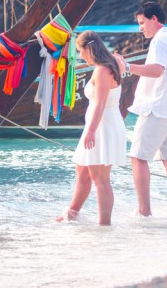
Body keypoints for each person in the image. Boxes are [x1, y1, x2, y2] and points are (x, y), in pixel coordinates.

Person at [117, 1, 167, 218]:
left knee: (137, 158)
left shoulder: (160, 41)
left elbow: (157, 70)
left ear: (154, 19)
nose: (140, 28)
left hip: (157, 110)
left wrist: (127, 67)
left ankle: (144, 212)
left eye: (142, 22)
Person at [56, 30, 127, 225]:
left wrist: (90, 131)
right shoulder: (114, 62)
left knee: (100, 179)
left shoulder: (102, 70)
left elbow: (100, 103)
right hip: (105, 123)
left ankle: (105, 224)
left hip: (102, 126)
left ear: (88, 49)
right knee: (82, 170)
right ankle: (72, 213)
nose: (80, 56)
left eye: (80, 51)